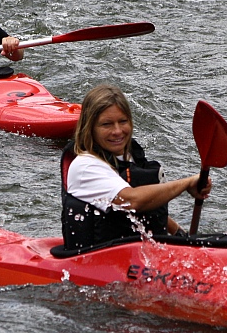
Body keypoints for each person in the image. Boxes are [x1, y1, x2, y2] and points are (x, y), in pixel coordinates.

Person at [60, 84, 212, 251]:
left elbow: (148, 205)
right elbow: (132, 200)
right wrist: (186, 184)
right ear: (90, 128)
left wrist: (179, 235)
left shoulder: (129, 155)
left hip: (137, 255)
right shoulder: (85, 166)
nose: (117, 131)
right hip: (96, 259)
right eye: (107, 124)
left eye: (123, 121)